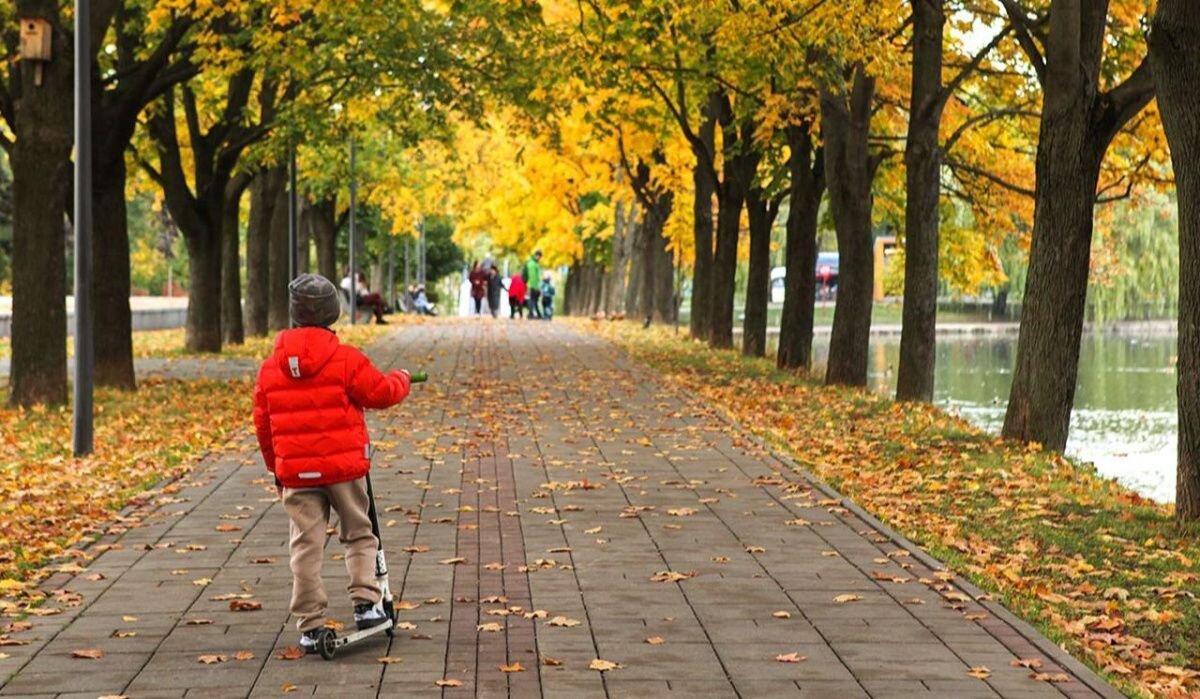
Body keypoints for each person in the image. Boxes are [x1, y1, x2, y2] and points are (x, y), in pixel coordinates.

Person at [253, 273, 413, 654]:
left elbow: (263, 424)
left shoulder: (270, 368)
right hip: (344, 470)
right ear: (333, 314)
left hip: (296, 473)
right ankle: (367, 604)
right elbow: (380, 392)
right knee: (358, 532)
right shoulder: (345, 359)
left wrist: (277, 468)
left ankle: (309, 623)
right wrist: (402, 379)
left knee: (305, 546)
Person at [522, 250, 543, 319]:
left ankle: (534, 314)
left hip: (532, 284)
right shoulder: (532, 264)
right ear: (537, 256)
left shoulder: (533, 263)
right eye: (540, 257)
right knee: (532, 299)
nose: (540, 259)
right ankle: (531, 314)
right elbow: (533, 276)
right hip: (532, 285)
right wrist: (536, 286)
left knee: (534, 299)